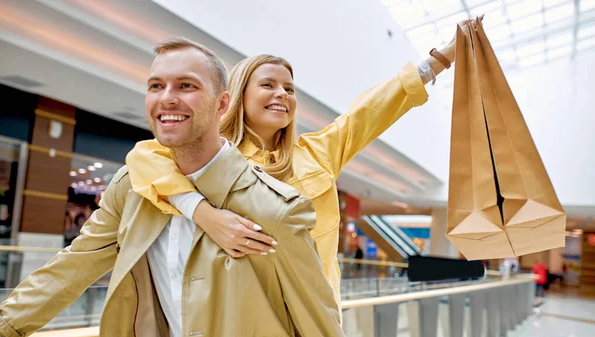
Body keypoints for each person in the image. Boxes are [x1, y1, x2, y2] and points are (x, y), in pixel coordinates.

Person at [0, 39, 363, 337]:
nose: (167, 97)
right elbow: (70, 268)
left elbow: (317, 315)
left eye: (186, 86)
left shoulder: (274, 207)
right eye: (156, 86)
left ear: (222, 104)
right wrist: (2, 329)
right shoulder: (133, 191)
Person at [125, 18, 481, 309]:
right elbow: (146, 157)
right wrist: (205, 214)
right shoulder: (212, 154)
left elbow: (370, 111)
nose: (282, 94)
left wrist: (442, 58)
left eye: (289, 89)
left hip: (316, 324)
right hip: (240, 328)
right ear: (235, 96)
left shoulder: (315, 154)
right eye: (268, 84)